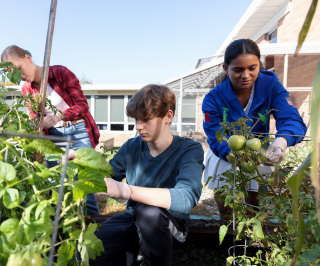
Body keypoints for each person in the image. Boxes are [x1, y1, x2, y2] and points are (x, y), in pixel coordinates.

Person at [91, 84, 204, 266]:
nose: (139, 126)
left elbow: (185, 198)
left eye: (145, 119)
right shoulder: (131, 147)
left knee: (149, 213)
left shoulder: (189, 150)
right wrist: (82, 163)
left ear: (168, 116)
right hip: (131, 218)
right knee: (91, 245)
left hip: (169, 225)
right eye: (136, 120)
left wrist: (126, 191)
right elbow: (105, 175)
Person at [1, 45, 101, 215]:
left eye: (19, 69)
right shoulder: (27, 89)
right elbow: (34, 116)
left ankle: (96, 228)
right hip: (54, 136)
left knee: (85, 182)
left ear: (28, 58)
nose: (21, 77)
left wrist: (57, 117)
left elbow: (83, 105)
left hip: (78, 130)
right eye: (14, 75)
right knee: (54, 182)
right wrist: (34, 129)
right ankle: (63, 228)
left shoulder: (60, 73)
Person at [202, 39, 307, 192]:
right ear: (225, 68)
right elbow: (216, 137)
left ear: (259, 64)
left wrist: (282, 141)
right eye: (238, 70)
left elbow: (291, 118)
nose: (246, 75)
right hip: (226, 155)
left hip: (262, 156)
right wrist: (239, 155)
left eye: (252, 68)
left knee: (257, 208)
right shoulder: (213, 99)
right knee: (228, 208)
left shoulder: (271, 87)